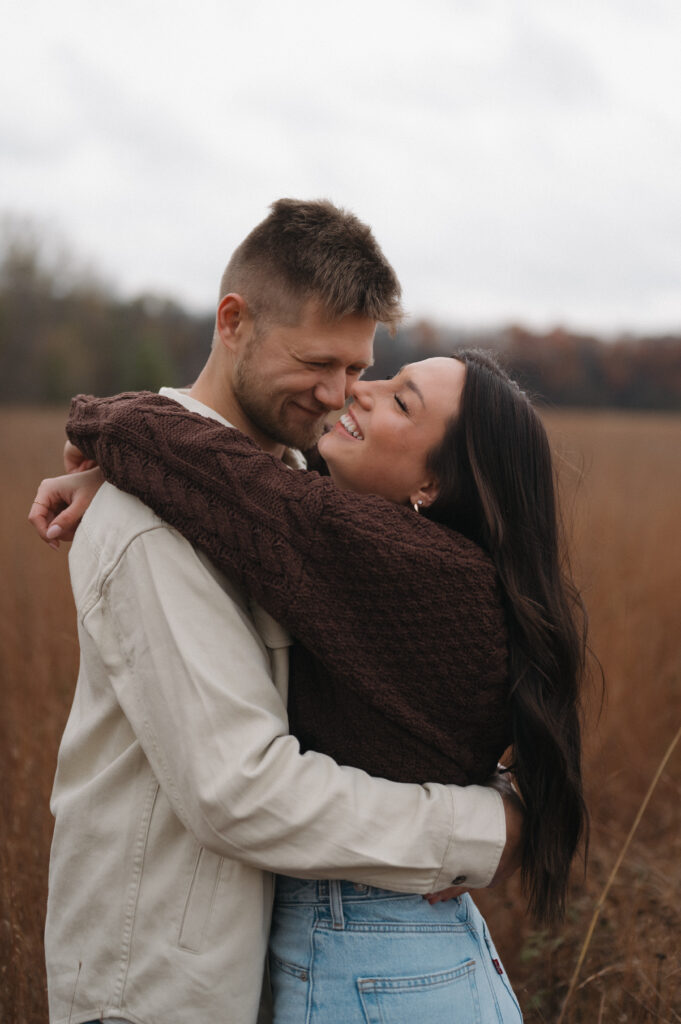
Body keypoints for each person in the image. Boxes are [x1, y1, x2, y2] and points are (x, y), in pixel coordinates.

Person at [29, 200, 524, 1024]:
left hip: (267, 971)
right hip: (154, 989)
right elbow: (238, 791)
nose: (339, 393)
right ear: (234, 322)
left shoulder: (298, 498)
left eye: (357, 366)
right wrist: (478, 827)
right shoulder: (150, 522)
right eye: (316, 362)